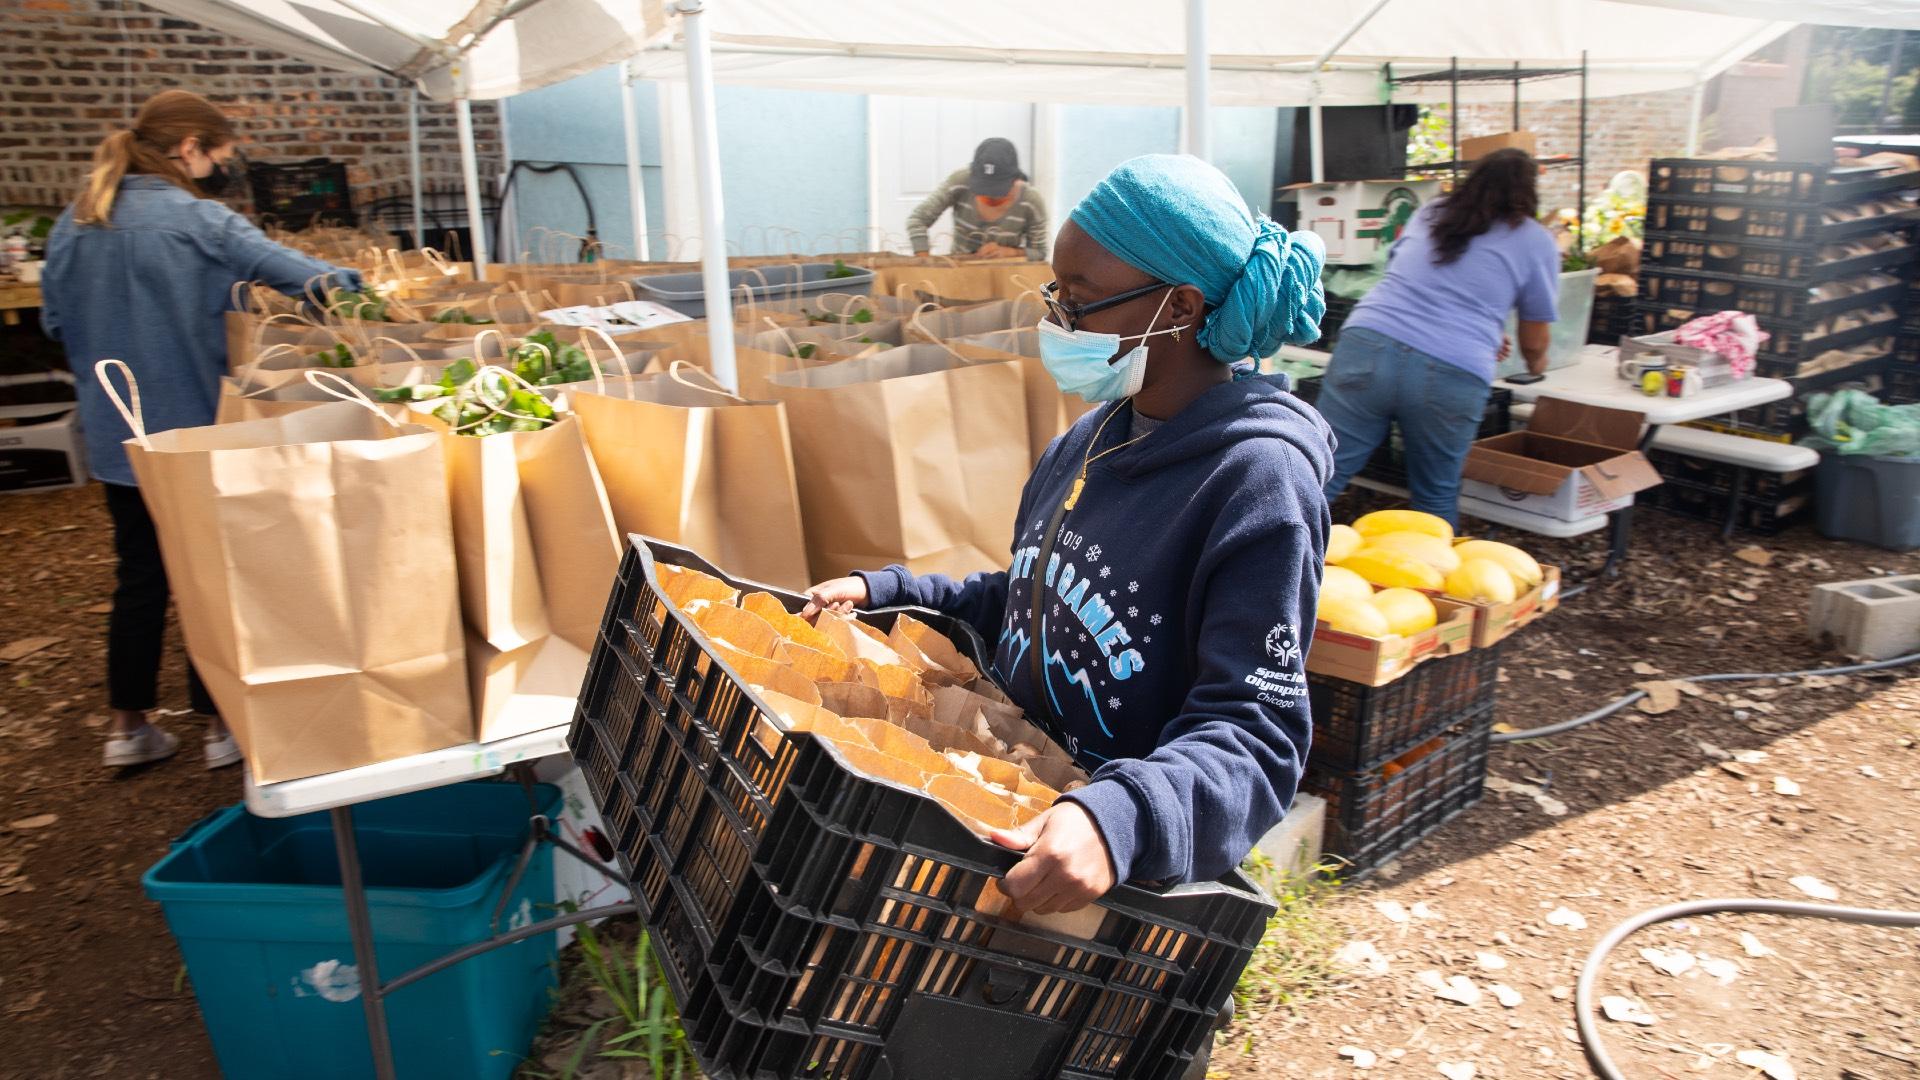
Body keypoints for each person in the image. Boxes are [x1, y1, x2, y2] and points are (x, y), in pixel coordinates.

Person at [807, 154, 1331, 919]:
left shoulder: (1258, 483)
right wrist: (890, 593)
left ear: (1178, 309)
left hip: (1111, 880)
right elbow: (1029, 595)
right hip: (1014, 806)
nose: (1057, 322)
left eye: (1079, 302)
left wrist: (1115, 819)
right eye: (1055, 294)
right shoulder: (1093, 437)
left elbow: (1255, 733)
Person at [41, 90, 362, 771]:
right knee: (212, 577)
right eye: (219, 154)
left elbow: (54, 325)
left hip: (116, 433)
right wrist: (362, 291)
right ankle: (221, 727)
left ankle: (127, 727)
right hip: (196, 430)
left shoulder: (74, 222)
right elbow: (312, 281)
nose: (221, 167)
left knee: (141, 574)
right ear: (189, 149)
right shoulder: (201, 220)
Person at [1315, 148, 1562, 526]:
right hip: (1452, 369)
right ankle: (1430, 580)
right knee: (1436, 493)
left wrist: (1482, 330)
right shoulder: (1534, 239)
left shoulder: (1432, 212)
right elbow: (1534, 336)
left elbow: (1411, 279)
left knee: (1318, 476)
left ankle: (1262, 569)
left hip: (1367, 343)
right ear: (1528, 192)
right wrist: (1536, 365)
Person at [907, 137, 1050, 261]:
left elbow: (1040, 252)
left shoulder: (1031, 202)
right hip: (959, 273)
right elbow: (917, 220)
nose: (990, 196)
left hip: (1007, 277)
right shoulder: (960, 182)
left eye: (997, 191)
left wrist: (1010, 252)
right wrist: (924, 261)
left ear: (1015, 179)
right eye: (984, 190)